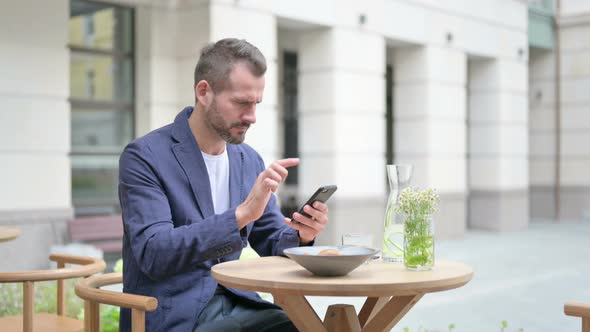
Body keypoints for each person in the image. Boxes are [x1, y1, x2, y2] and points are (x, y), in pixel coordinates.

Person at [118, 38, 330, 331]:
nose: (252, 117)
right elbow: (154, 253)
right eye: (242, 103)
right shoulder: (145, 156)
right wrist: (240, 215)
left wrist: (302, 235)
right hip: (173, 314)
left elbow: (270, 238)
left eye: (256, 103)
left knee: (310, 327)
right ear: (204, 92)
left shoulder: (248, 160)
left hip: (239, 303)